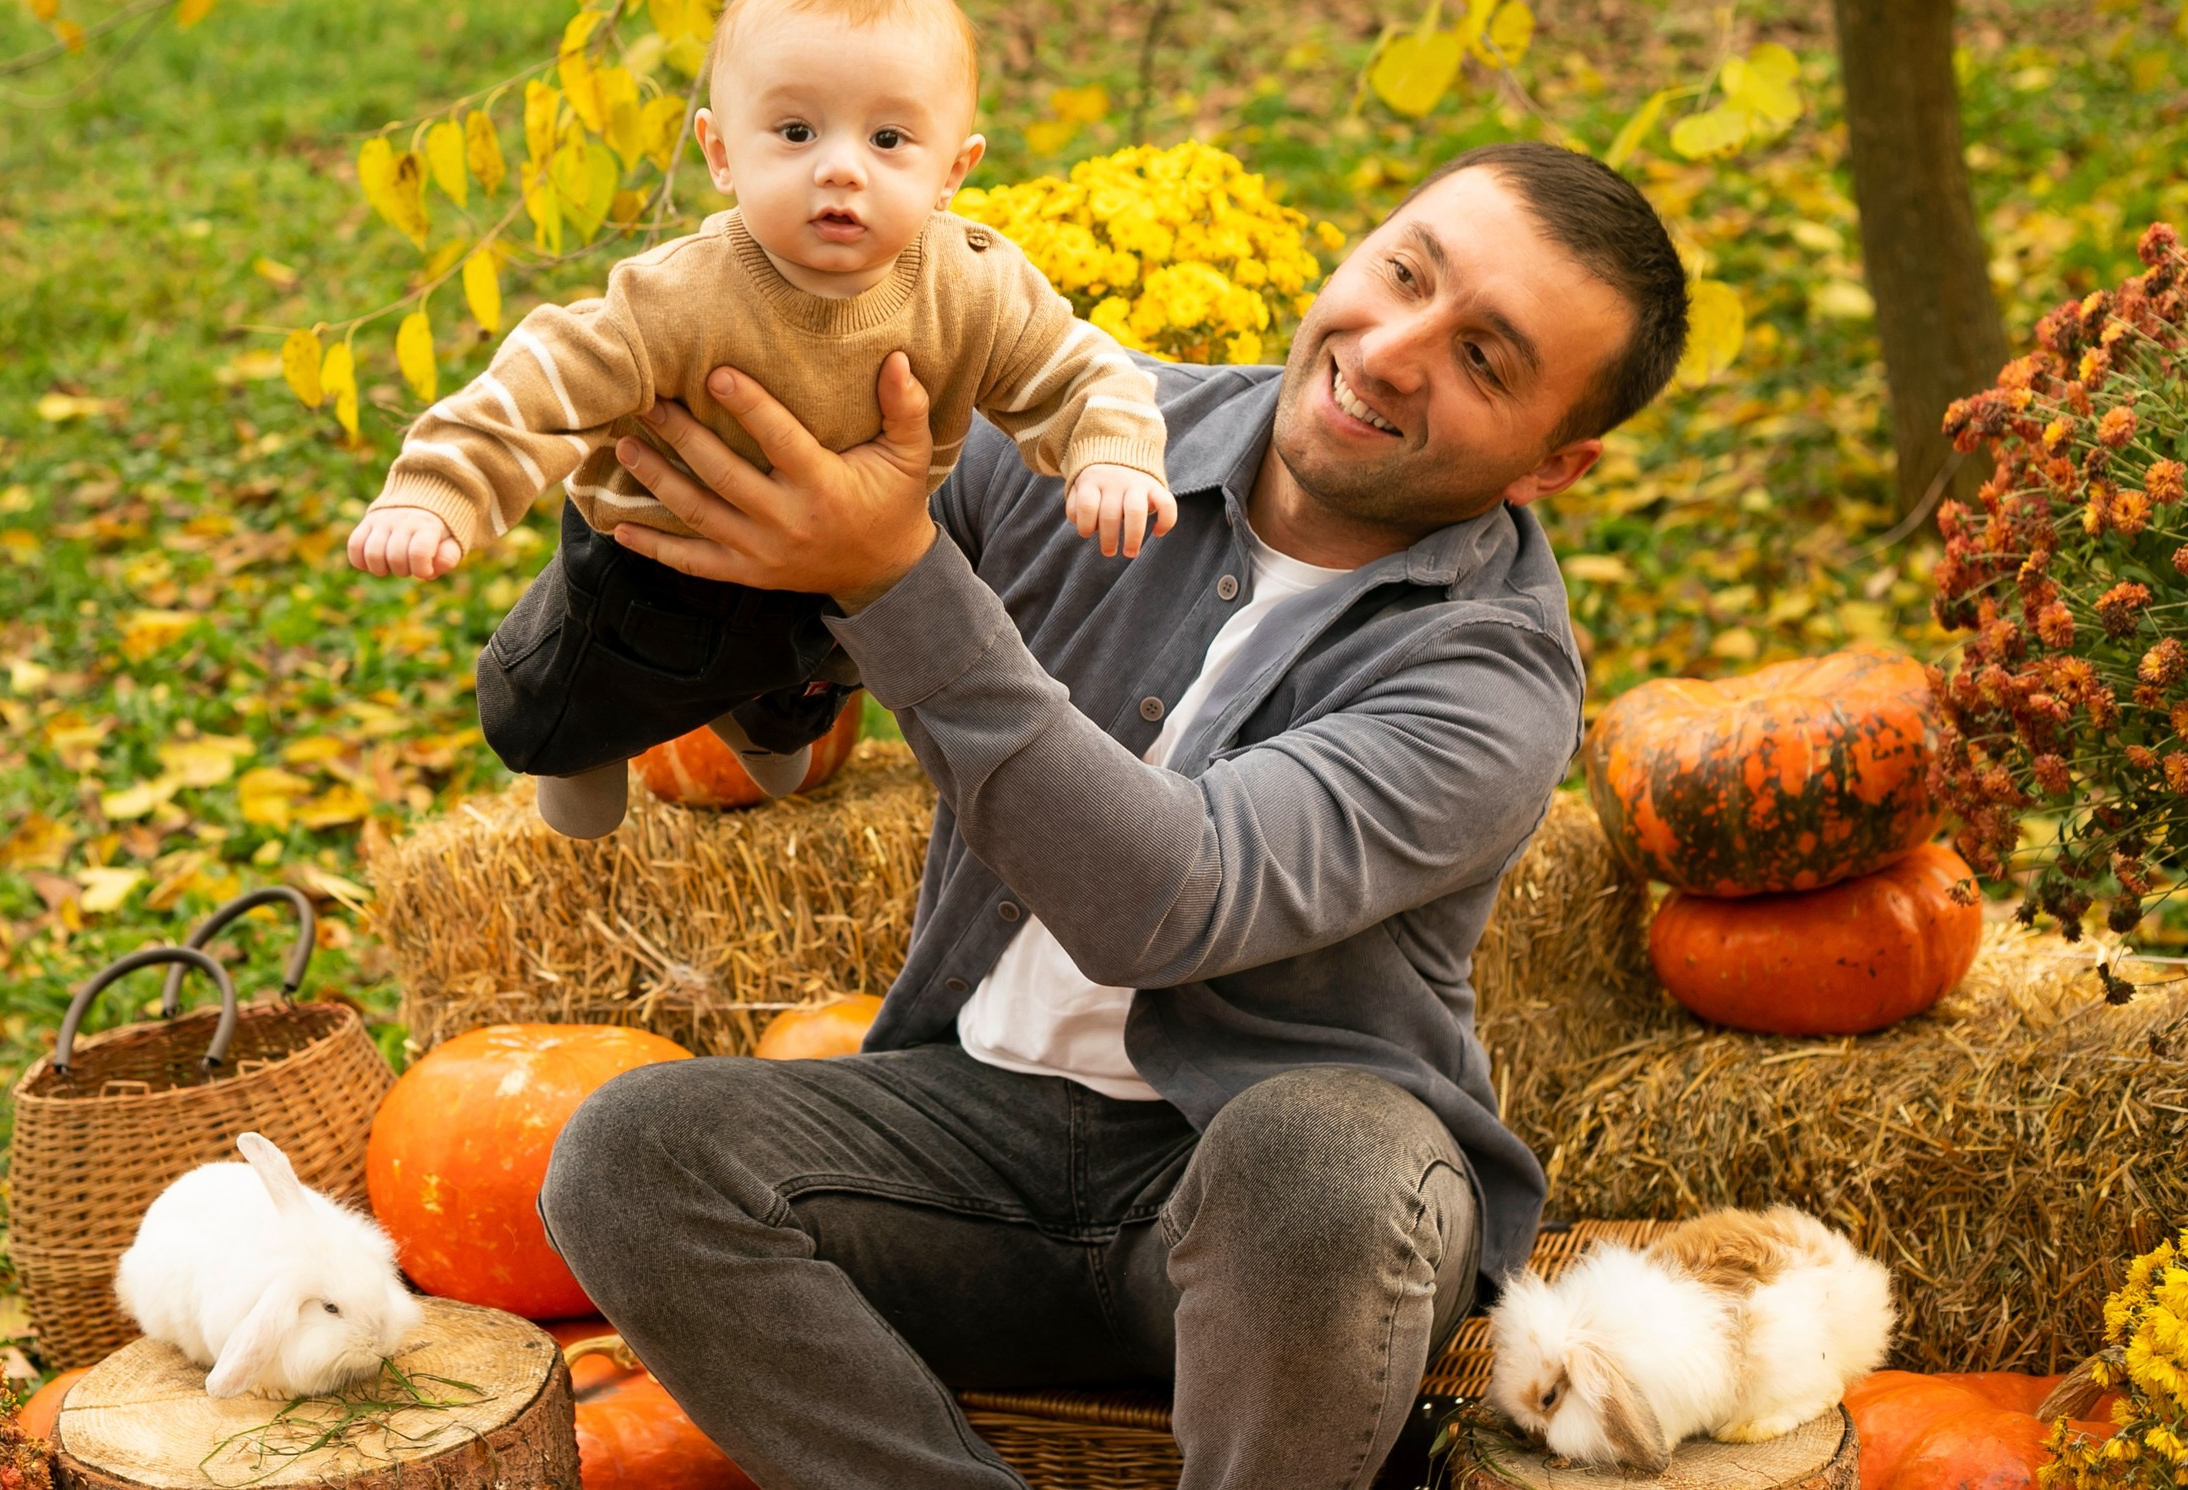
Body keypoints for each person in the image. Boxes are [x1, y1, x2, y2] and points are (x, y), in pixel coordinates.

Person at [534, 139, 1690, 1489]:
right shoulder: (1077, 421)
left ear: (1555, 463)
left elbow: (1167, 897)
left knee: (1320, 1158)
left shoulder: (1489, 676)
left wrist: (894, 573)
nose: (1390, 350)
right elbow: (788, 698)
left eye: (1485, 358)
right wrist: (716, 551)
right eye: (1403, 272)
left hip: (1291, 1215)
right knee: (630, 1151)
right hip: (971, 1150)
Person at [345, 0, 1173, 840]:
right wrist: (441, 487)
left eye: (889, 139)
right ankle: (577, 756)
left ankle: (758, 721)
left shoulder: (972, 289)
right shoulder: (678, 299)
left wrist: (1110, 450)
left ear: (954, 170)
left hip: (837, 562)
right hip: (654, 561)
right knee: (568, 696)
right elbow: (544, 383)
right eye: (796, 132)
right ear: (721, 152)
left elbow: (1080, 367)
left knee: (805, 684)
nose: (842, 169)